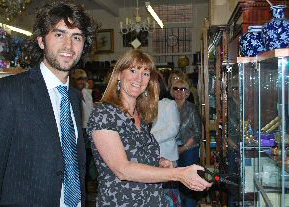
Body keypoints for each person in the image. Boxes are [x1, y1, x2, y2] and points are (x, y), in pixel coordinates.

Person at [0, 1, 97, 206]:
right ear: (41, 41)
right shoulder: (8, 93)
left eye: (76, 37)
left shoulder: (74, 98)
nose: (68, 45)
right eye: (59, 34)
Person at [87, 49, 211, 206]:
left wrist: (158, 161)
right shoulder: (104, 114)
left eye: (145, 73)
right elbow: (122, 169)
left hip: (153, 200)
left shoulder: (141, 116)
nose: (138, 78)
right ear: (119, 74)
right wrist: (178, 174)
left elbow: (136, 154)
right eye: (133, 70)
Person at [150, 73, 181, 207]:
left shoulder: (169, 104)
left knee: (169, 196)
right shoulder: (142, 105)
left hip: (167, 156)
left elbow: (173, 129)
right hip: (151, 157)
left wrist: (149, 139)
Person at [171, 79, 202, 207]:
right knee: (175, 184)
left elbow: (197, 133)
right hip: (172, 150)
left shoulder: (192, 108)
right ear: (171, 91)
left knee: (189, 184)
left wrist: (183, 149)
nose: (179, 91)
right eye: (176, 88)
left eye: (182, 89)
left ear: (187, 92)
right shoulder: (168, 107)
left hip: (189, 150)